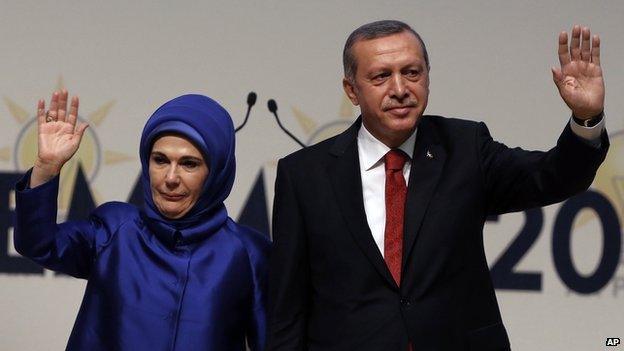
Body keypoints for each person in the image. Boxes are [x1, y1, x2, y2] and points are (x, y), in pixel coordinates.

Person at [266, 20, 608, 350]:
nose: (400, 90)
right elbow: (287, 310)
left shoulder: (465, 147)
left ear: (428, 79)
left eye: (412, 73)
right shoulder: (304, 175)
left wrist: (585, 119)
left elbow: (552, 176)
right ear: (351, 90)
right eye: (381, 76)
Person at [14, 91, 270, 350]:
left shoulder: (249, 254)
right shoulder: (115, 229)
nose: (170, 178)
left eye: (189, 164)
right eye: (160, 160)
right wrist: (46, 169)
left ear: (216, 172)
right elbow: (38, 243)